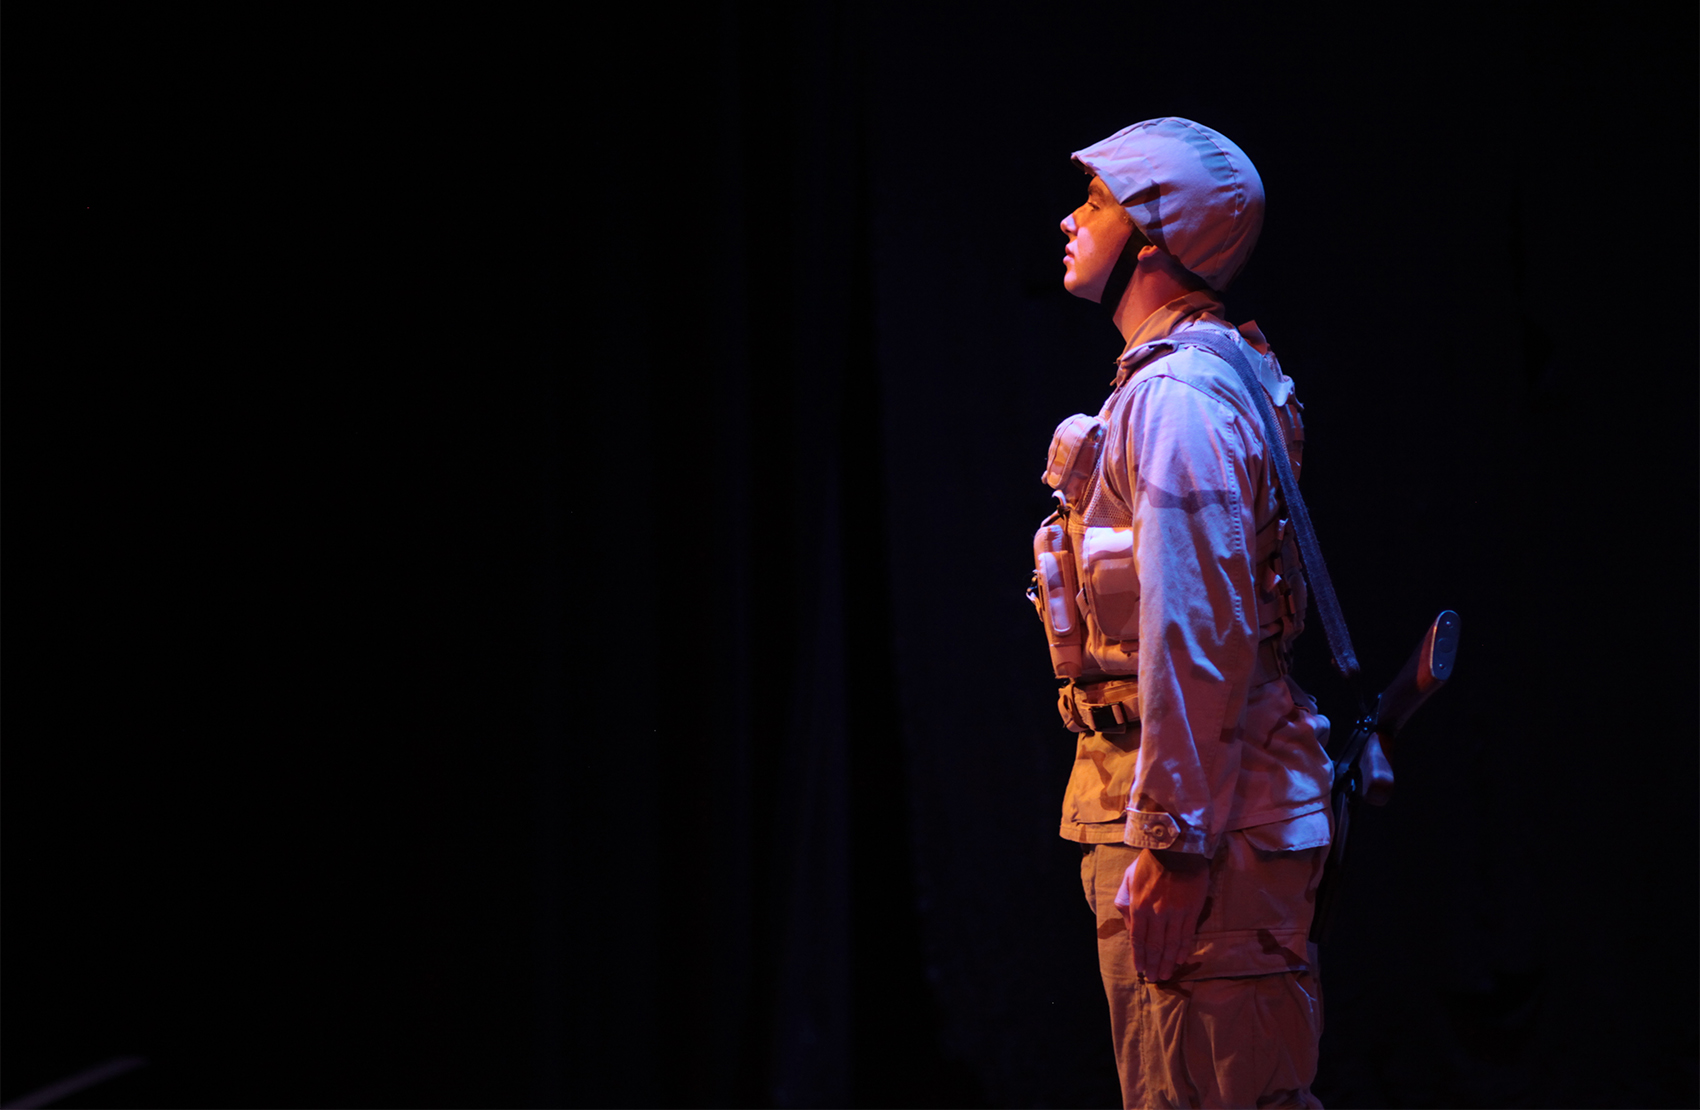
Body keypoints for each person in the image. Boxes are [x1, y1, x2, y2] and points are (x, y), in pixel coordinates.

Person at [1029, 117, 1344, 1108]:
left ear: (1156, 229)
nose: (1069, 220)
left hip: (1204, 833)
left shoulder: (1180, 400)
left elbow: (1195, 628)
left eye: (1095, 201)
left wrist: (1173, 841)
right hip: (1189, 809)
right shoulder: (1193, 382)